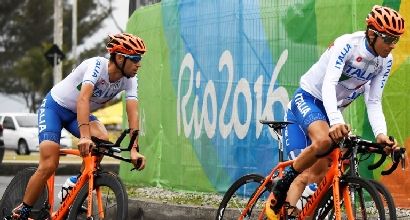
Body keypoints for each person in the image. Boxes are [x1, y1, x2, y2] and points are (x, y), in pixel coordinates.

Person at [265, 5, 404, 219]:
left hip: (330, 110)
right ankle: (281, 185)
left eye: (396, 39)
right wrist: (337, 121)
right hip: (310, 98)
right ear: (371, 33)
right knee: (323, 142)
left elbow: (374, 100)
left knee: (318, 174)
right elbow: (328, 83)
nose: (392, 45)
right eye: (387, 39)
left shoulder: (385, 61)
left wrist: (381, 135)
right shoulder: (348, 44)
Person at [9, 33, 147, 220]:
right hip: (55, 108)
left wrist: (134, 148)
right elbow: (83, 98)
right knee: (49, 163)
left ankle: (75, 184)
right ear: (120, 57)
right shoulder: (96, 65)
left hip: (76, 114)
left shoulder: (130, 79)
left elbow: (133, 112)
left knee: (102, 139)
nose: (139, 64)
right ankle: (22, 210)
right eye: (136, 58)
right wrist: (84, 136)